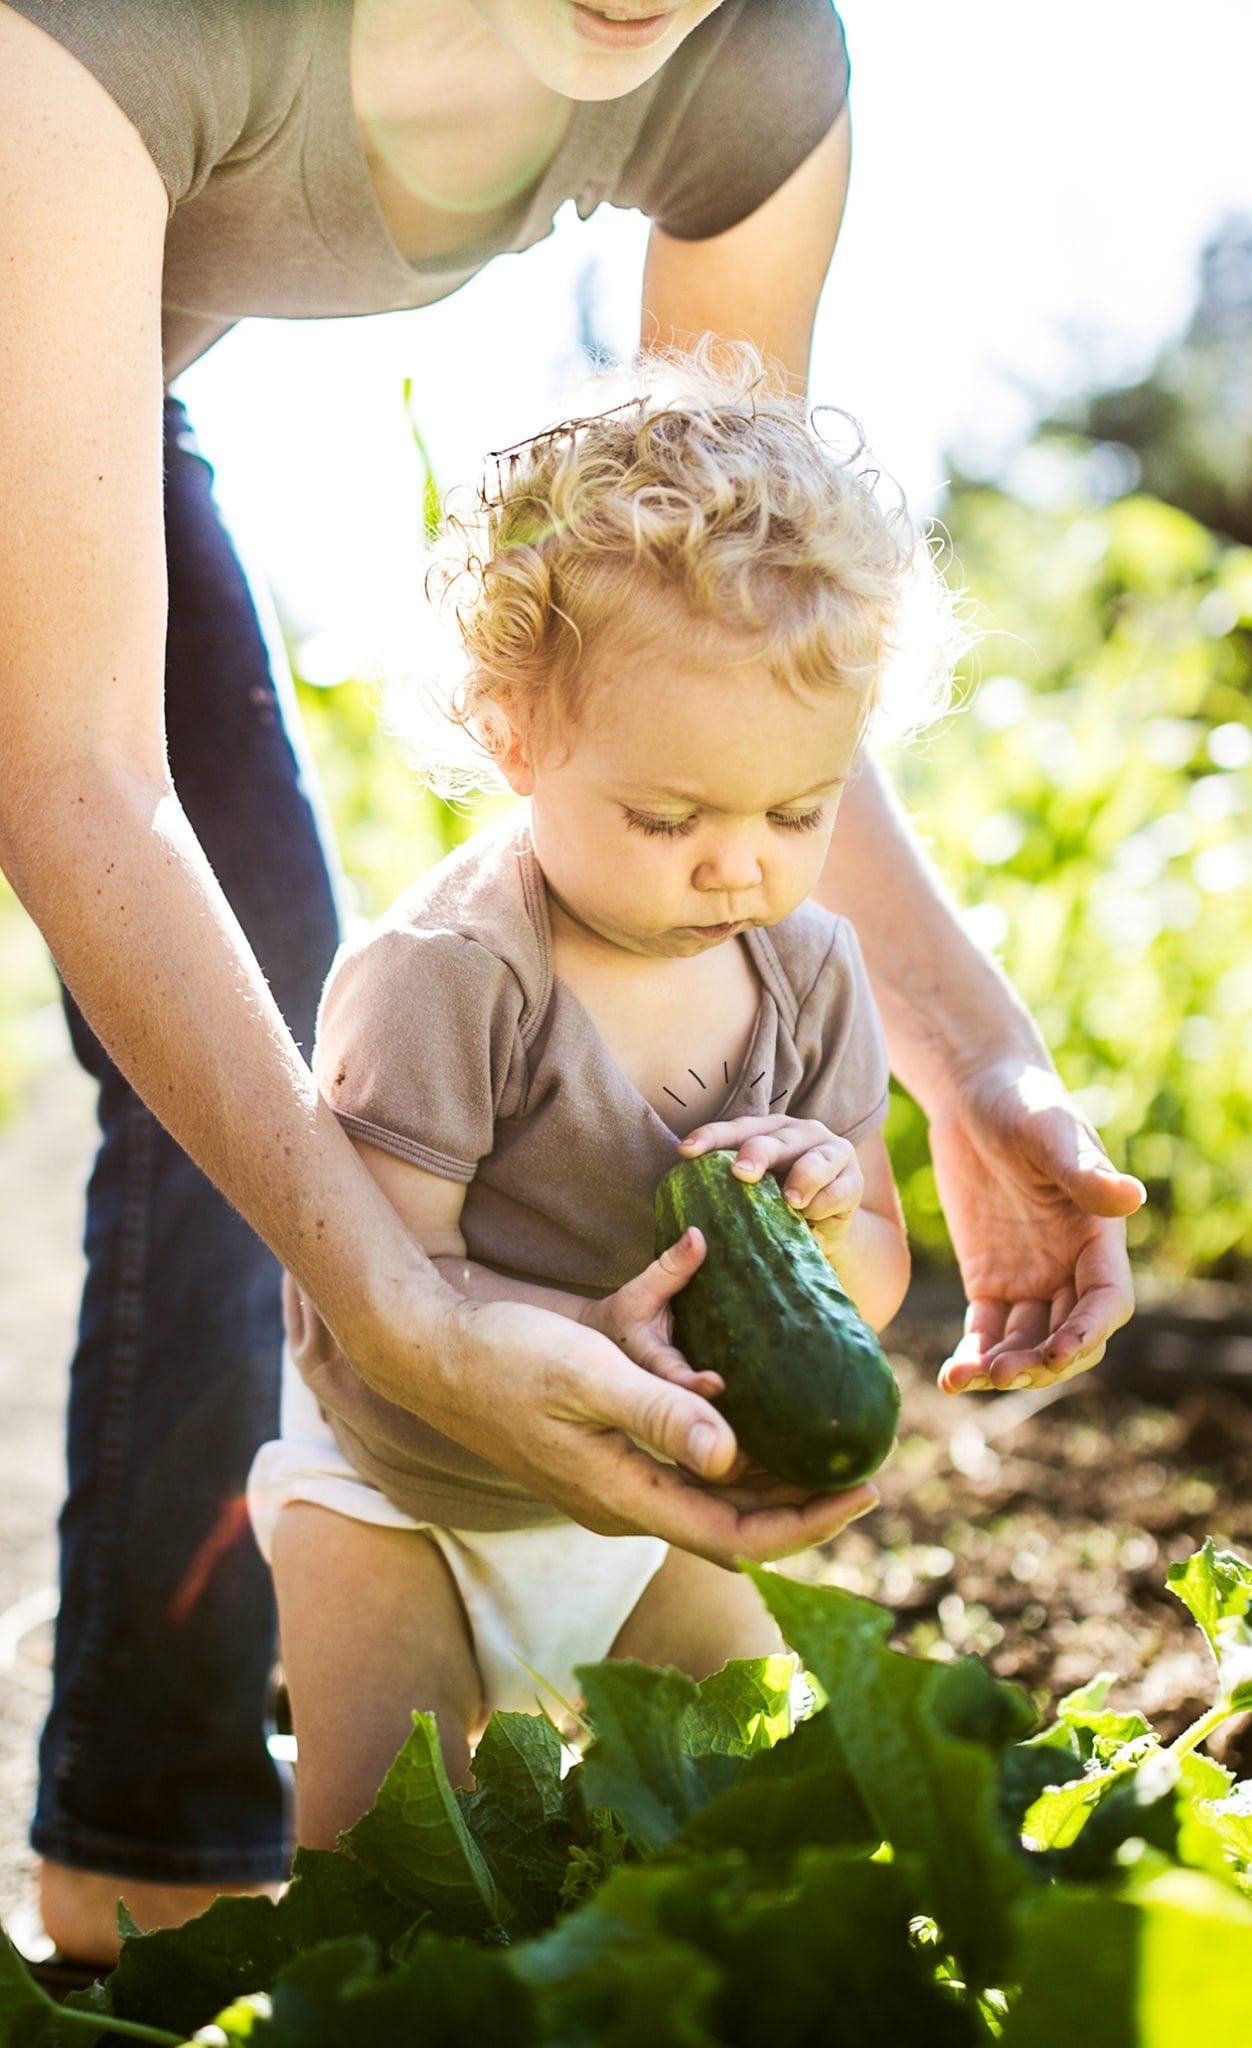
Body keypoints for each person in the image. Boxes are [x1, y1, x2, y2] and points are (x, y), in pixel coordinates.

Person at [0, 0, 1143, 1970]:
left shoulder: (750, 72)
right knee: (233, 1009)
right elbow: (74, 765)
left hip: (60, 411)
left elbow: (736, 645)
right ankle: (156, 1869)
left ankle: (145, 1862)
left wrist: (979, 1069)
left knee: (230, 1022)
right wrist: (407, 1305)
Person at [248, 348, 928, 1831]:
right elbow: (392, 1281)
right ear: (517, 742)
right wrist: (583, 1333)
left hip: (642, 1503)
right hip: (405, 1491)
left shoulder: (807, 973)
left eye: (796, 812)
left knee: (785, 1812)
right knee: (401, 1860)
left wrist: (823, 1215)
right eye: (668, 815)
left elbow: (872, 1271)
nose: (737, 862)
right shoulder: (451, 972)